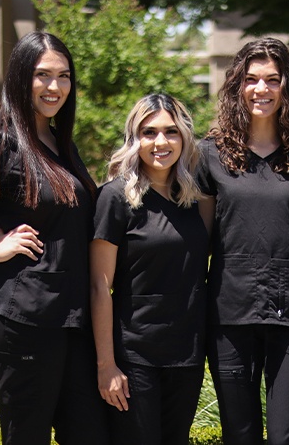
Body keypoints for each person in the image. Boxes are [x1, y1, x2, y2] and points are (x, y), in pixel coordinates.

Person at [0, 31, 109, 445]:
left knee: (89, 432)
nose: (55, 87)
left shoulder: (59, 142)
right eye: (42, 75)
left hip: (73, 319)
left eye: (64, 76)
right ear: (20, 77)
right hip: (23, 317)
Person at [197, 37, 289, 445]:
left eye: (272, 79)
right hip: (229, 313)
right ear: (237, 85)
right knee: (240, 433)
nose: (260, 89)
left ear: (287, 87)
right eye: (251, 79)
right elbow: (199, 237)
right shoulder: (209, 154)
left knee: (288, 434)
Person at [90, 93, 209, 445]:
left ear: (184, 138)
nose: (161, 142)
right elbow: (100, 285)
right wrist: (106, 366)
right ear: (134, 139)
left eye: (171, 132)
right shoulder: (116, 197)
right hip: (134, 357)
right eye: (149, 132)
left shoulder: (193, 199)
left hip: (186, 355)